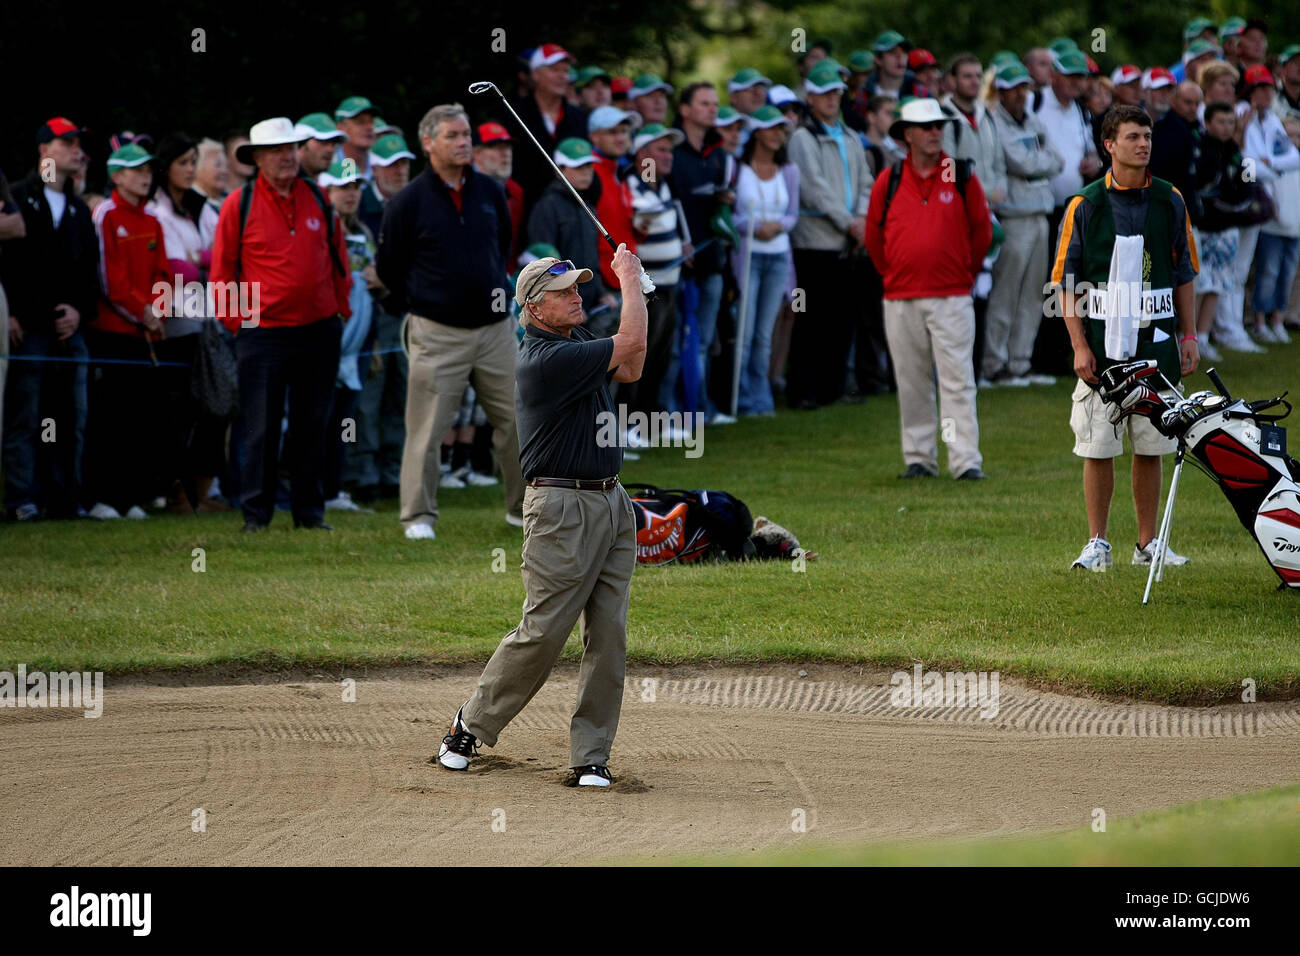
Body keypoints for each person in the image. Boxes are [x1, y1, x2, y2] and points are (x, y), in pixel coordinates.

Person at [434, 246, 646, 788]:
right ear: (533, 308)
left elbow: (633, 364)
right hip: (561, 509)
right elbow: (631, 343)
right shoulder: (545, 359)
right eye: (564, 292)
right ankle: (469, 725)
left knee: (609, 634)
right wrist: (630, 282)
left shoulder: (574, 346)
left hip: (611, 502)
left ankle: (590, 755)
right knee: (544, 631)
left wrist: (633, 292)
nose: (577, 296)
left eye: (578, 288)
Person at [1052, 105, 1200, 571]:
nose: (1144, 144)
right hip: (1100, 348)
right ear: (1108, 145)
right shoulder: (1086, 204)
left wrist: (1191, 334)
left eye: (1148, 136)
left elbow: (1184, 274)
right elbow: (1066, 284)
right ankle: (1097, 543)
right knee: (1098, 446)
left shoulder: (1170, 199)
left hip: (1157, 346)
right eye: (1133, 137)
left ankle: (1147, 544)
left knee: (1152, 446)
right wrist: (1078, 345)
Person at [376, 103, 525, 540]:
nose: (464, 143)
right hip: (436, 332)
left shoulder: (491, 192)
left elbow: (502, 248)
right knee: (426, 430)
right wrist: (425, 302)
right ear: (428, 144)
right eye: (453, 136)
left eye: (467, 135)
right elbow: (389, 268)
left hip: (496, 330)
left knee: (520, 419)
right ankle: (417, 516)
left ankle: (523, 510)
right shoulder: (407, 201)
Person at [210, 117, 352, 532]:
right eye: (276, 150)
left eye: (291, 148)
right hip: (263, 333)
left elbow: (338, 257)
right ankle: (257, 515)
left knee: (313, 426)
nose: (287, 156)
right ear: (256, 158)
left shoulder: (318, 196)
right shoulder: (240, 202)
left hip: (319, 329)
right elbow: (221, 273)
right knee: (261, 428)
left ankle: (310, 513)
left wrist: (339, 308)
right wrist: (238, 323)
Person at [866, 98, 992, 481]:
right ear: (907, 135)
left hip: (951, 295)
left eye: (939, 125)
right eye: (926, 126)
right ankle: (919, 459)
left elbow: (982, 231)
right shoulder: (888, 180)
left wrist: (960, 274)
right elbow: (874, 236)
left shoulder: (960, 173)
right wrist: (895, 274)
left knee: (957, 380)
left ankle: (965, 460)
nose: (936, 131)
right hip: (900, 296)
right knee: (911, 381)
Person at [1, 118, 98, 521]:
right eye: (66, 142)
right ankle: (23, 498)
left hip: (68, 331)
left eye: (78, 143)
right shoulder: (18, 198)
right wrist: (8, 313)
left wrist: (78, 311)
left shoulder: (78, 207)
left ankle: (64, 497)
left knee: (69, 417)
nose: (76, 150)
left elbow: (89, 271)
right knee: (27, 417)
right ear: (44, 150)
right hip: (28, 328)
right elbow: (8, 263)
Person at [84, 143, 173, 520]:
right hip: (112, 333)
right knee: (109, 418)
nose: (145, 176)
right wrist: (144, 311)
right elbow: (108, 278)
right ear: (116, 176)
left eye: (149, 169)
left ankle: (131, 496)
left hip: (143, 334)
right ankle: (101, 498)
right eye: (136, 170)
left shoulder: (152, 220)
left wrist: (158, 310)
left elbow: (162, 273)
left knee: (139, 417)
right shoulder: (105, 214)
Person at [146, 132, 229, 513]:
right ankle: (176, 494)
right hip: (177, 324)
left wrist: (201, 258)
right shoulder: (156, 211)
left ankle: (203, 492)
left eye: (193, 161)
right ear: (166, 167)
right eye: (183, 162)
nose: (190, 169)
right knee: (180, 413)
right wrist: (205, 260)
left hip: (210, 322)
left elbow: (227, 251)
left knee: (216, 408)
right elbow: (179, 270)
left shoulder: (202, 207)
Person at [786, 61, 875, 410]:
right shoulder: (803, 138)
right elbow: (813, 189)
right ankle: (804, 390)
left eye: (836, 93)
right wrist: (850, 223)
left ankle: (834, 387)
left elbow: (866, 182)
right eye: (824, 93)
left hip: (846, 241)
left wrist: (863, 219)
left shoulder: (851, 137)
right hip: (815, 243)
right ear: (810, 96)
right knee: (811, 319)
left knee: (842, 319)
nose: (831, 99)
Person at [986, 62, 1064, 387]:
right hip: (1014, 217)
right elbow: (1017, 160)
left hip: (1040, 216)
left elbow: (1057, 160)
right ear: (1001, 90)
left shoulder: (1032, 120)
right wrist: (1038, 163)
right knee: (1006, 293)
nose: (1020, 93)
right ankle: (995, 364)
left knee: (1033, 293)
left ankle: (1020, 362)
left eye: (1024, 87)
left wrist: (1036, 163)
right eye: (1014, 88)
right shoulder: (994, 122)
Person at [733, 106, 798, 417]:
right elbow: (732, 217)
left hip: (778, 259)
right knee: (744, 334)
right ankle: (742, 397)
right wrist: (753, 228)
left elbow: (793, 214)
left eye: (781, 130)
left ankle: (762, 399)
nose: (778, 135)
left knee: (763, 334)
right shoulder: (738, 168)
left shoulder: (789, 170)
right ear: (757, 131)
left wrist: (778, 226)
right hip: (749, 258)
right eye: (772, 128)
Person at [317, 161, 375, 513]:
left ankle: (334, 490)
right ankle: (311, 491)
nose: (350, 193)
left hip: (356, 349)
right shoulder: (321, 231)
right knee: (317, 421)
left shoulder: (364, 234)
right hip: (325, 344)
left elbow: (374, 286)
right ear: (327, 192)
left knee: (345, 423)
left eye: (355, 187)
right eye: (343, 187)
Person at [623, 124, 686, 431]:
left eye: (670, 150)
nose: (668, 156)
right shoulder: (631, 185)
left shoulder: (663, 185)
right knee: (640, 356)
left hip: (672, 282)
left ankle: (650, 421)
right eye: (661, 150)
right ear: (642, 154)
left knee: (661, 354)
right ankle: (631, 424)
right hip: (647, 287)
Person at [525, 138, 612, 318]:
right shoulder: (546, 207)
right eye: (579, 166)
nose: (587, 172)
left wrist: (601, 293)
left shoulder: (588, 206)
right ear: (559, 170)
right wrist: (567, 303)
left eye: (589, 166)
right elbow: (545, 265)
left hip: (590, 305)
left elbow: (591, 259)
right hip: (562, 309)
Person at [1245, 67, 1300, 344]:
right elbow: (1248, 165)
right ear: (1252, 91)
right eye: (1261, 88)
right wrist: (1267, 165)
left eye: (1269, 88)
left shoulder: (1273, 122)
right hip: (1265, 216)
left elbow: (1292, 159)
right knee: (1266, 272)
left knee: (1284, 272)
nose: (1267, 93)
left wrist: (1269, 163)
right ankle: (1258, 322)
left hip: (1291, 220)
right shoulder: (1245, 116)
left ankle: (1275, 321)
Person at [505, 44, 588, 223]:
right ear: (535, 74)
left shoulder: (579, 117)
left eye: (565, 71)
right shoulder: (512, 115)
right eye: (554, 69)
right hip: (525, 217)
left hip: (574, 218)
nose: (562, 76)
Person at [1193, 102, 1251, 361]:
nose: (1227, 127)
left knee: (1217, 284)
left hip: (1227, 227)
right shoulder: (1201, 147)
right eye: (1221, 122)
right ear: (1207, 122)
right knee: (1198, 284)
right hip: (1202, 227)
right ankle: (1189, 337)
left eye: (1231, 122)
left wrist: (1241, 196)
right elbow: (1203, 185)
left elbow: (1247, 179)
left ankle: (1203, 337)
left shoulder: (1237, 151)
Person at [586, 105, 640, 335]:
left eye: (624, 131)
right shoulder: (589, 174)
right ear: (594, 137)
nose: (620, 138)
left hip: (625, 282)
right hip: (603, 288)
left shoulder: (622, 172)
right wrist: (597, 287)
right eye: (613, 132)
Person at [469, 124, 524, 262]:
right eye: (496, 147)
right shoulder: (461, 186)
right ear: (475, 153)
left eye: (508, 147)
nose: (505, 153)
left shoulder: (515, 191)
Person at [335, 96, 380, 181]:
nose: (369, 127)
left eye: (371, 122)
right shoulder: (326, 164)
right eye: (361, 122)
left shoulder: (382, 165)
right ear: (340, 127)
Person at [295, 113, 347, 179]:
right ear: (301, 143)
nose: (330, 149)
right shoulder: (285, 184)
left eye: (334, 143)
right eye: (323, 141)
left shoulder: (325, 186)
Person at [193, 137, 230, 213]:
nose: (225, 171)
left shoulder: (232, 200)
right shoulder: (190, 204)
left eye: (226, 166)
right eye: (218, 165)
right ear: (197, 168)